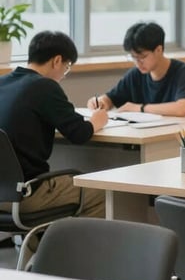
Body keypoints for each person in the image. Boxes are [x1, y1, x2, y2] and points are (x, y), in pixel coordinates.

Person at [0, 30, 109, 220]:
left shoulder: (3, 82)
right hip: (27, 194)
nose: (64, 75)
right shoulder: (44, 86)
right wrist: (97, 121)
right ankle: (71, 249)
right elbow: (79, 133)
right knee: (104, 193)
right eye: (66, 67)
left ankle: (40, 246)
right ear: (57, 60)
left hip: (4, 191)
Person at [88, 22, 185, 116]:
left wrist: (140, 108)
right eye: (134, 57)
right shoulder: (135, 74)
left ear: (159, 50)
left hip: (178, 136)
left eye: (142, 57)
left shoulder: (183, 72)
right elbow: (110, 99)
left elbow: (181, 109)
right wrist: (101, 102)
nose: (138, 63)